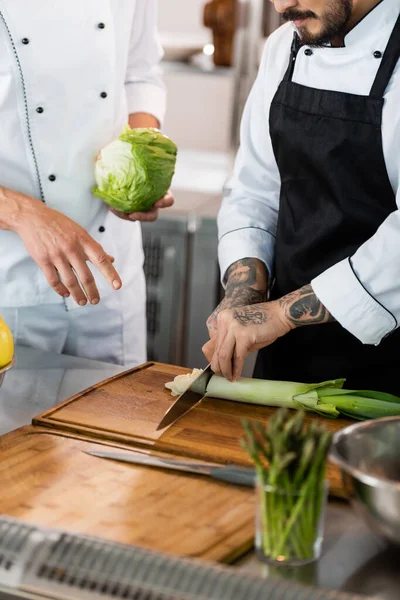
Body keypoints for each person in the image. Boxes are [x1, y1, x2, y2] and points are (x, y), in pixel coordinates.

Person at [203, 0, 400, 394]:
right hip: (287, 354)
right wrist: (244, 295)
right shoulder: (284, 46)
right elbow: (254, 188)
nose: (281, 5)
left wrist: (279, 313)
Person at [0, 1, 172, 366]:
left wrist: (139, 161)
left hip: (111, 274)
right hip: (10, 284)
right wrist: (20, 213)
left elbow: (140, 72)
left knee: (119, 419)